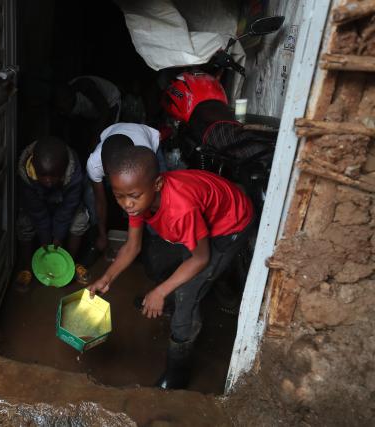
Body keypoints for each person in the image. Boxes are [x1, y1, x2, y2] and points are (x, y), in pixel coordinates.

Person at [87, 146, 255, 389]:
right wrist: (107, 277)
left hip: (231, 223)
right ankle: (192, 290)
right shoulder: (137, 196)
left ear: (156, 184)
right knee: (156, 261)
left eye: (132, 196)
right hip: (206, 215)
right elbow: (132, 246)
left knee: (187, 296)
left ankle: (176, 375)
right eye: (119, 196)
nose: (126, 204)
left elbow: (200, 258)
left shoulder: (180, 210)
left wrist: (160, 292)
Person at [15, 136, 91, 290]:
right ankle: (26, 268)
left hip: (63, 205)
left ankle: (70, 262)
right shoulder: (26, 173)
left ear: (63, 170)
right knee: (24, 222)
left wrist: (58, 236)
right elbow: (37, 211)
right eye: (43, 175)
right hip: (38, 207)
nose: (48, 181)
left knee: (80, 220)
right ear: (34, 167)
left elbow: (68, 208)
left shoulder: (74, 173)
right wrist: (45, 238)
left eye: (54, 176)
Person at [86, 122, 167, 253]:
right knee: (90, 194)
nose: (127, 204)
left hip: (148, 137)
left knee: (159, 196)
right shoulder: (94, 163)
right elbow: (99, 201)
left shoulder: (144, 156)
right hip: (111, 131)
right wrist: (102, 234)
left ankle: (156, 238)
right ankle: (96, 230)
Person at [53, 75, 121, 157]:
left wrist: (96, 137)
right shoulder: (62, 103)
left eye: (64, 101)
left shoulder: (85, 86)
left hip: (110, 104)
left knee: (107, 136)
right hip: (93, 109)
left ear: (71, 95)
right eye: (60, 104)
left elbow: (105, 111)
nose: (62, 106)